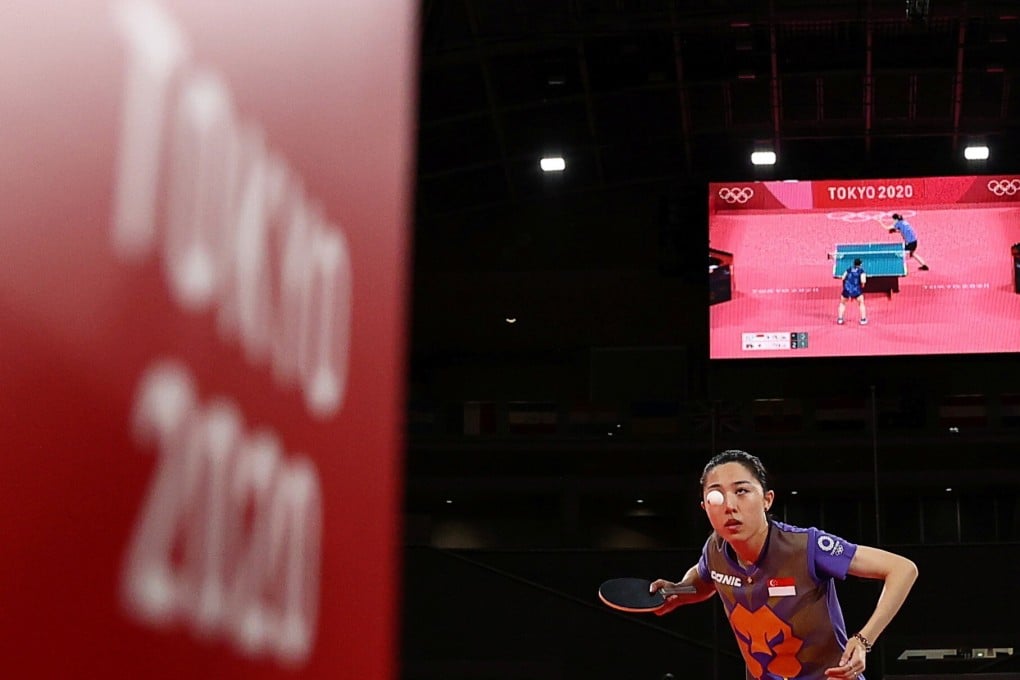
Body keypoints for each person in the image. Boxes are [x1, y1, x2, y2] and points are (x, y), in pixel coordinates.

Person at [650, 450, 918, 680]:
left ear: (767, 499)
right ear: (705, 507)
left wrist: (863, 640)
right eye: (716, 496)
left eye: (741, 491)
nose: (729, 505)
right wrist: (680, 590)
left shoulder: (807, 546)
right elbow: (704, 577)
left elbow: (902, 569)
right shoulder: (715, 548)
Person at [838, 258, 867, 325]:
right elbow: (863, 281)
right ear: (860, 264)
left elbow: (843, 277)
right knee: (861, 304)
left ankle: (840, 319)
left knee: (842, 303)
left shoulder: (849, 269)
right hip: (857, 290)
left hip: (847, 289)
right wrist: (862, 285)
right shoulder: (861, 271)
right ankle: (863, 320)